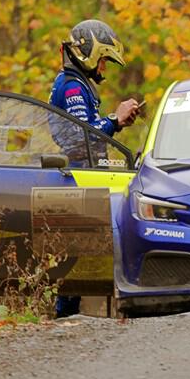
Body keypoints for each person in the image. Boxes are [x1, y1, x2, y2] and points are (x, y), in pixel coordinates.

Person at [48, 19, 141, 318]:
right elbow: (82, 137)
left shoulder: (74, 83)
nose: (104, 69)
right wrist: (115, 120)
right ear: (88, 54)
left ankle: (73, 316)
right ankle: (65, 320)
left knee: (81, 256)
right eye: (103, 61)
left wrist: (115, 122)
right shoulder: (73, 87)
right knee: (79, 257)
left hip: (81, 176)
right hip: (77, 179)